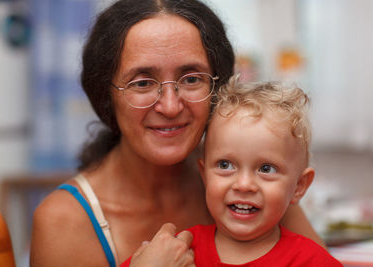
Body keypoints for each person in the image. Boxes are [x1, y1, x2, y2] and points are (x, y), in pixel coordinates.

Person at [30, 1, 326, 266]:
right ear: (106, 95)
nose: (170, 106)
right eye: (142, 82)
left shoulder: (246, 182)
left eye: (192, 78)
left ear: (217, 89)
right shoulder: (65, 222)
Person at [123, 78, 342, 266]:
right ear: (204, 174)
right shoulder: (177, 252)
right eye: (225, 165)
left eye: (266, 169)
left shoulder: (311, 261)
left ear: (299, 186)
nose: (244, 184)